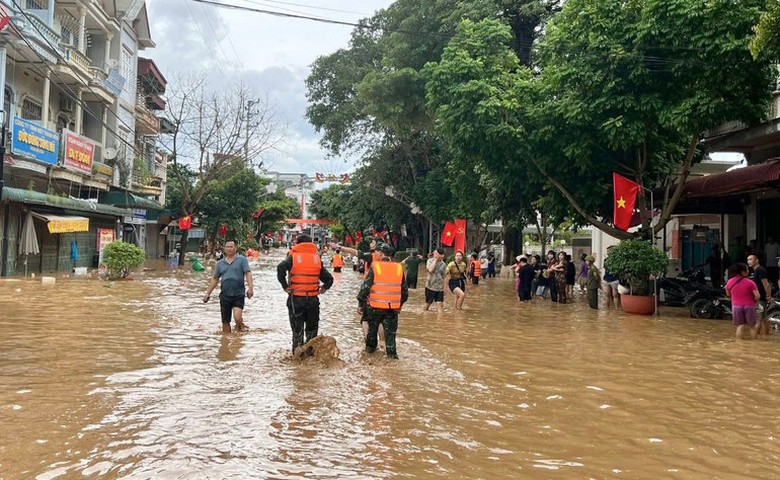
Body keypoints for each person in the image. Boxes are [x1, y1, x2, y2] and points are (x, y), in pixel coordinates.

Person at [276, 235, 334, 354]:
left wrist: (285, 286)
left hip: (296, 299)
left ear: (298, 244)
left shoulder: (292, 258)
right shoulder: (317, 259)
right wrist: (324, 288)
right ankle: (310, 357)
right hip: (313, 300)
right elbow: (329, 279)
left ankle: (297, 358)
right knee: (312, 331)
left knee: (297, 331)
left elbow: (280, 267)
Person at [356, 244, 408, 358]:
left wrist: (361, 304)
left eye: (376, 252)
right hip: (392, 310)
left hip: (374, 308)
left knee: (371, 337)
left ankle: (369, 359)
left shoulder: (375, 266)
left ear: (381, 253)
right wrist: (400, 305)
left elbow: (365, 288)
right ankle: (392, 359)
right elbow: (404, 292)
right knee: (390, 338)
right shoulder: (399, 268)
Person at [203, 239, 254, 333]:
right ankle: (227, 339)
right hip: (225, 295)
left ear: (235, 248)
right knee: (225, 322)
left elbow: (248, 273)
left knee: (237, 318)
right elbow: (215, 278)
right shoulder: (220, 263)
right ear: (224, 248)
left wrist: (250, 288)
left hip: (238, 293)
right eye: (227, 247)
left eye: (231, 247)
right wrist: (208, 293)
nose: (229, 249)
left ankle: (240, 329)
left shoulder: (242, 260)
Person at [726, 263, 759, 340]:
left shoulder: (729, 282)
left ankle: (739, 344)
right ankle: (755, 344)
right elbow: (757, 296)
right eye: (747, 270)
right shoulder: (750, 282)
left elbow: (728, 294)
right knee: (752, 326)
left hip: (736, 306)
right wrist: (755, 302)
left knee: (739, 326)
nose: (748, 271)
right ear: (743, 272)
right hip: (750, 306)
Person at [747, 254, 772, 336]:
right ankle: (766, 336)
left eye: (751, 259)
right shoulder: (756, 271)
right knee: (764, 319)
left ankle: (754, 338)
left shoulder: (760, 270)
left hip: (760, 299)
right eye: (748, 260)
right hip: (760, 299)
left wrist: (769, 296)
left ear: (757, 260)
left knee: (758, 319)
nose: (749, 261)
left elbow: (766, 285)